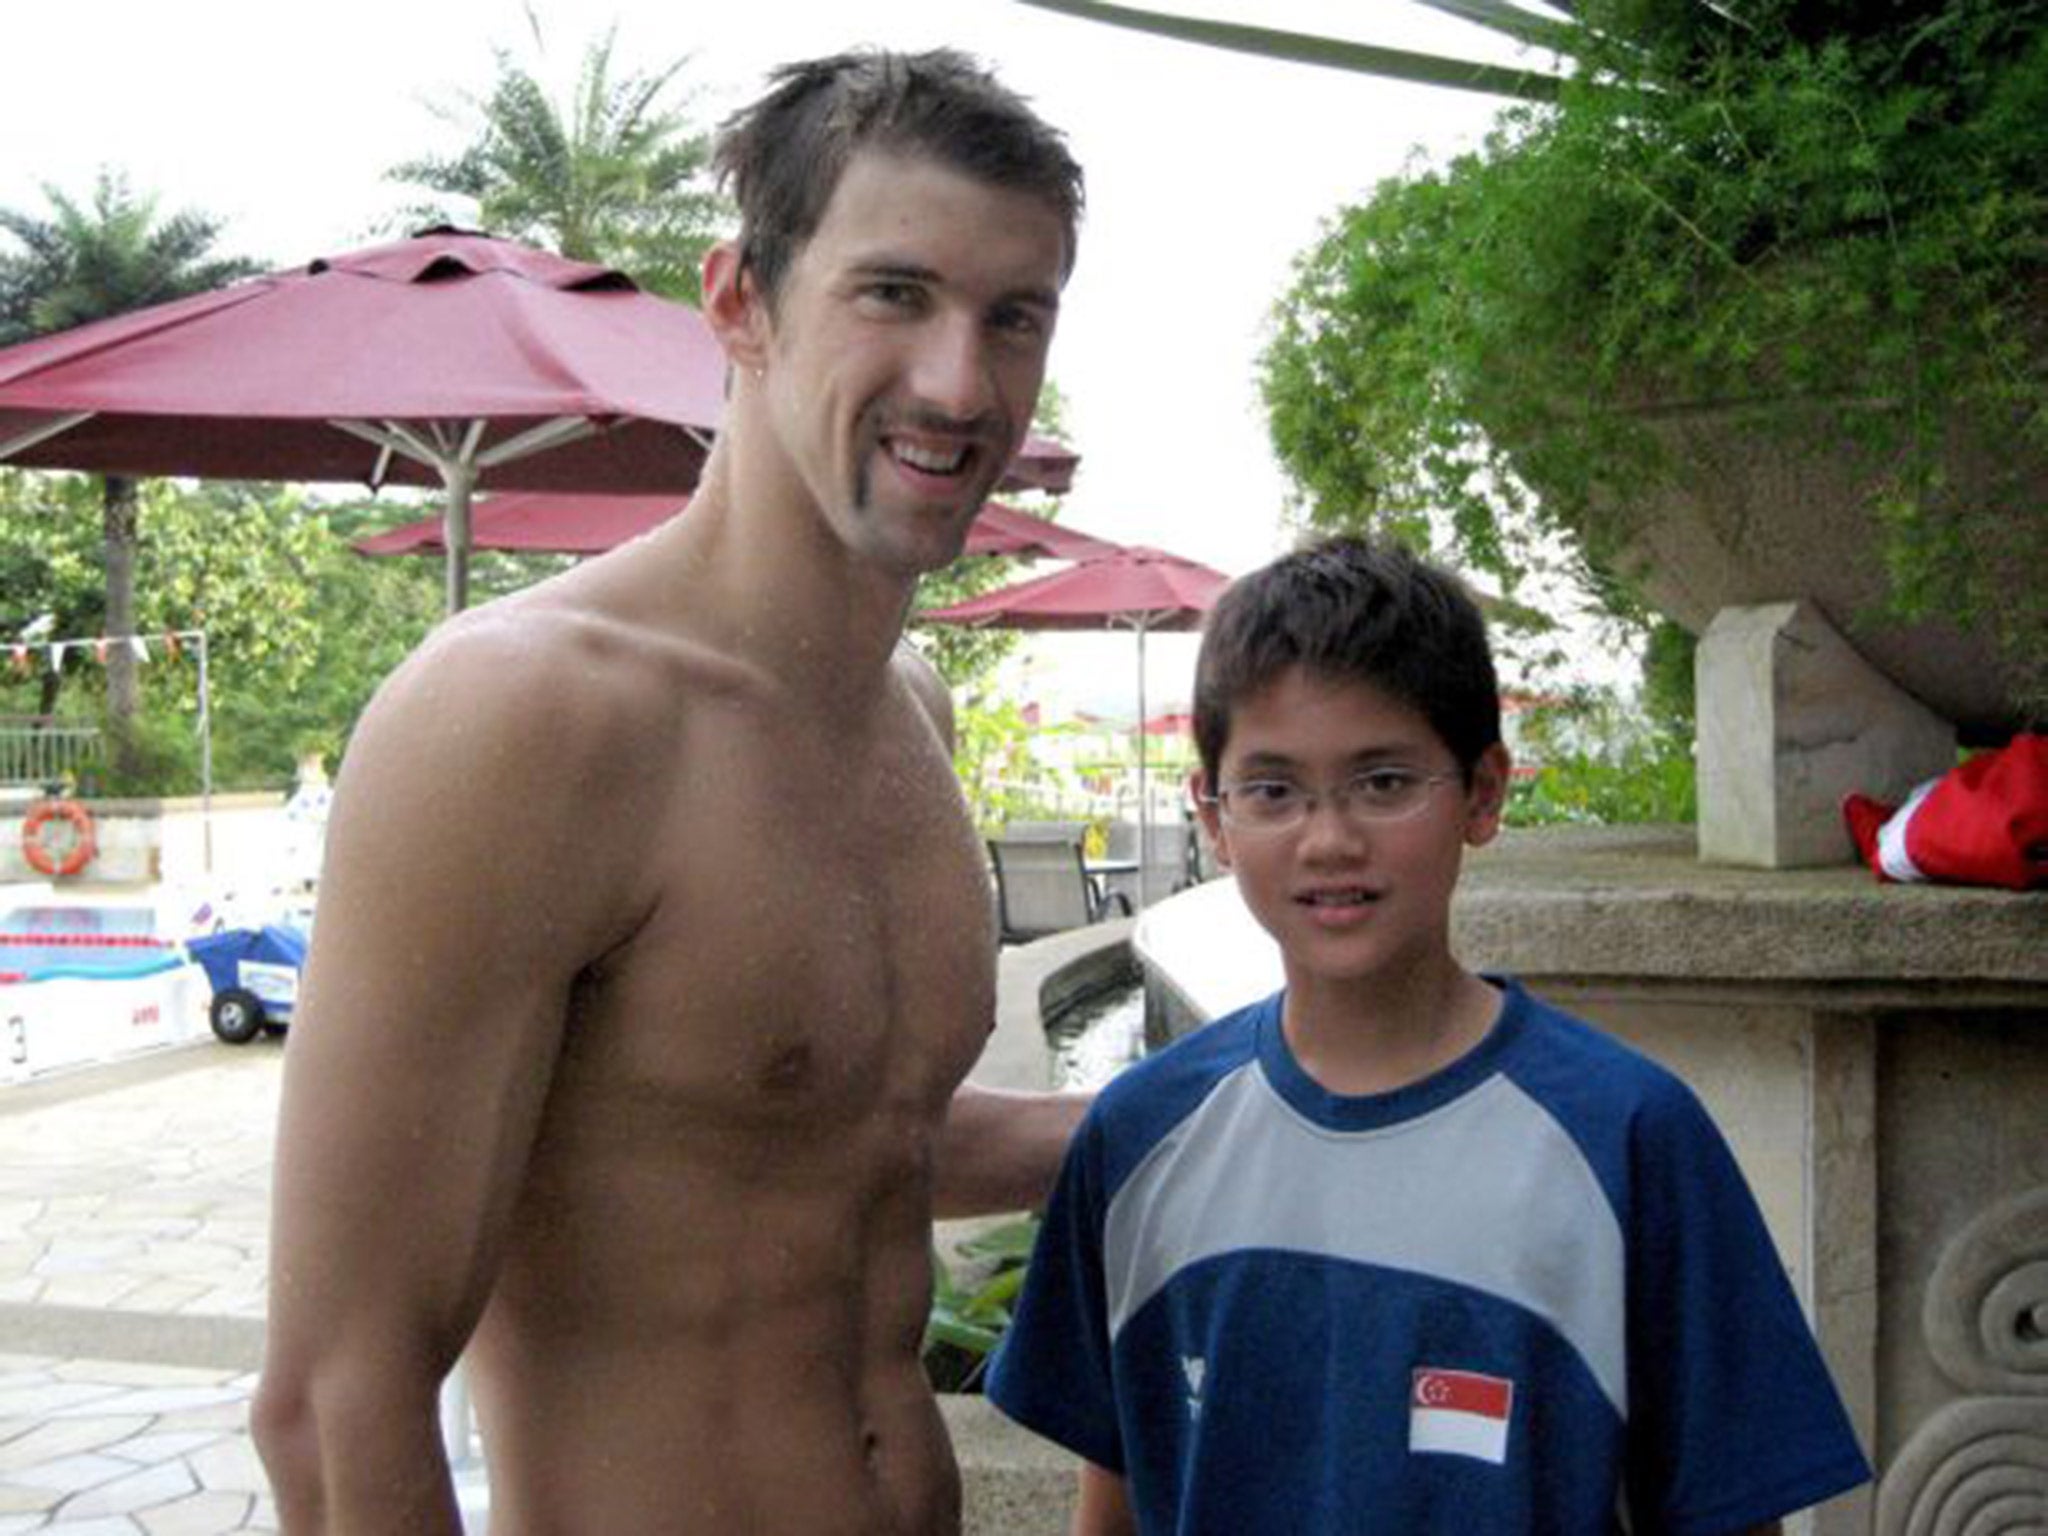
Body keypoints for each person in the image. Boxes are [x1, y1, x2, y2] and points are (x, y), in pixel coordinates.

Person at [253, 49, 1088, 1536]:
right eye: (893, 293)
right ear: (739, 300)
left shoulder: (908, 714)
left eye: (1012, 315)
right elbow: (335, 1401)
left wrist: (1220, 1101)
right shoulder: (531, 718)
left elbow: (818, 1126)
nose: (962, 384)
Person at [985, 535, 1873, 1535]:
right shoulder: (1139, 1135)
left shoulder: (1627, 1139)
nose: (1329, 839)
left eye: (1384, 782)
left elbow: (1729, 1513)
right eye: (1272, 790)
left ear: (1483, 793)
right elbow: (1116, 1496)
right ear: (1214, 816)